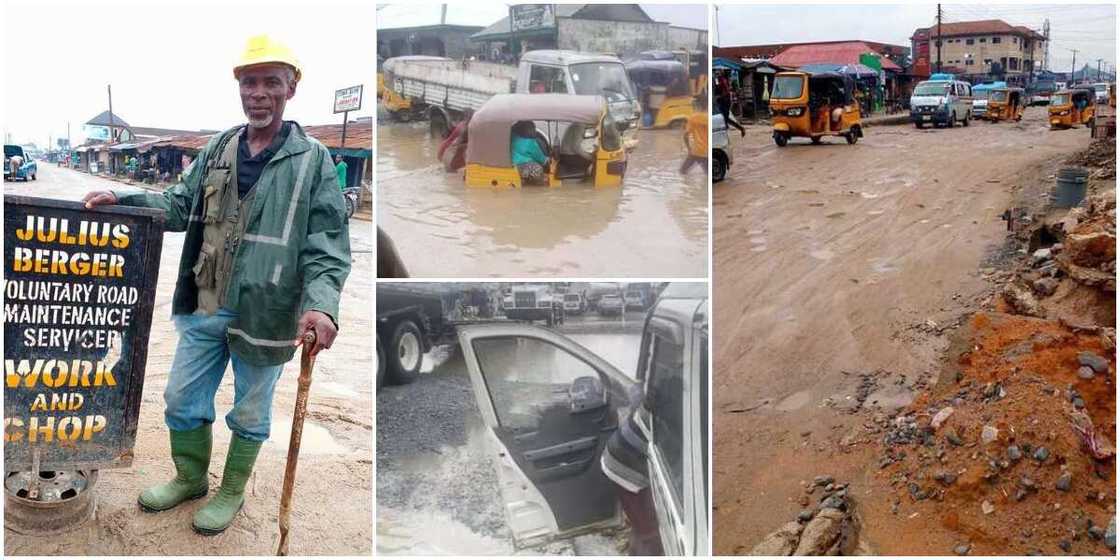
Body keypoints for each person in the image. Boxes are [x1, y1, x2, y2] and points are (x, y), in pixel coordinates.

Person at [82, 35, 351, 536]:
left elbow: (328, 242)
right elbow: (181, 206)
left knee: (250, 410)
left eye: (272, 82)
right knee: (182, 398)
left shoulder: (313, 161)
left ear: (290, 90)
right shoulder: (219, 148)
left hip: (268, 308)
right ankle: (190, 478)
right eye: (250, 82)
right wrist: (123, 199)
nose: (259, 92)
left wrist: (323, 307)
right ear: (239, 88)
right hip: (206, 298)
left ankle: (231, 491)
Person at [510, 120, 548, 185]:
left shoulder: (512, 136)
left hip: (512, 165)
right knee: (539, 171)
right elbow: (541, 158)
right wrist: (547, 161)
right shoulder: (530, 143)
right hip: (524, 168)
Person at [716, 70, 745, 137]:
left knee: (724, 118)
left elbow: (727, 91)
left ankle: (724, 134)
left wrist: (719, 96)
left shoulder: (723, 80)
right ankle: (741, 128)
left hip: (724, 101)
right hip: (722, 100)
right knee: (725, 118)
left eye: (719, 72)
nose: (718, 74)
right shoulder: (719, 80)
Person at [680, 103, 708, 174]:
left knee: (682, 172)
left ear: (697, 106)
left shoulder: (693, 118)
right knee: (708, 174)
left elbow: (685, 135)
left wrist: (689, 148)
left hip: (696, 151)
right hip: (707, 152)